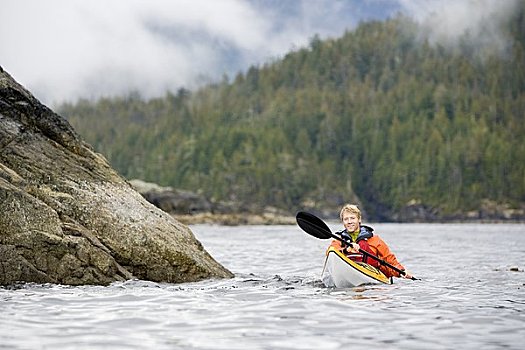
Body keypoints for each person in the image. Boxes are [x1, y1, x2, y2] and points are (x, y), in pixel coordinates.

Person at [328, 204, 414, 279]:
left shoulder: (375, 240)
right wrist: (346, 250)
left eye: (352, 218)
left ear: (359, 219)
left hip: (372, 275)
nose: (349, 222)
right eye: (346, 219)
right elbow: (331, 252)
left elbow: (390, 260)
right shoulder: (339, 240)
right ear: (343, 221)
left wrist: (401, 271)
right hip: (346, 272)